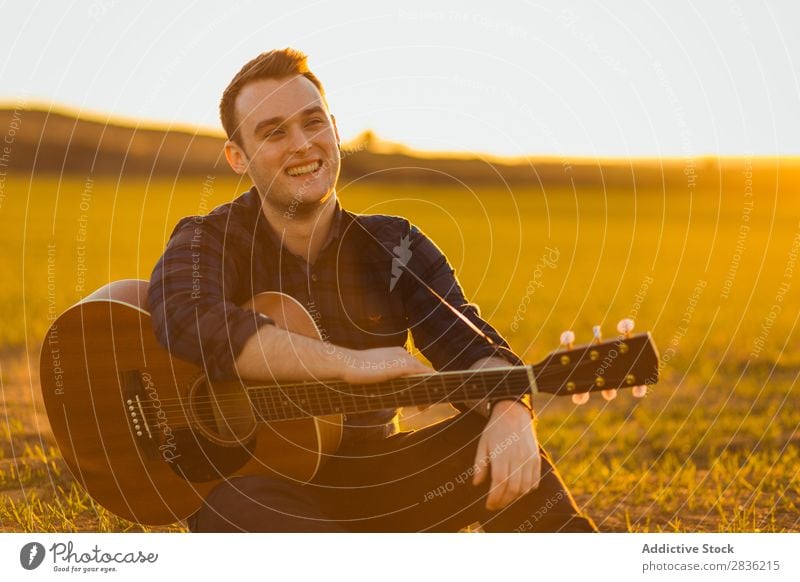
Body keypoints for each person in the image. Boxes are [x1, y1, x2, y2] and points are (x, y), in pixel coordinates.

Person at [148, 48, 597, 532]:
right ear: (238, 156)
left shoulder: (394, 245)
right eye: (274, 131)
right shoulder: (208, 239)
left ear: (335, 131)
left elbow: (467, 343)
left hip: (379, 478)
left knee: (498, 444)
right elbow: (186, 315)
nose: (302, 144)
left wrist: (512, 407)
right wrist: (352, 364)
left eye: (312, 122)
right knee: (230, 508)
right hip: (259, 486)